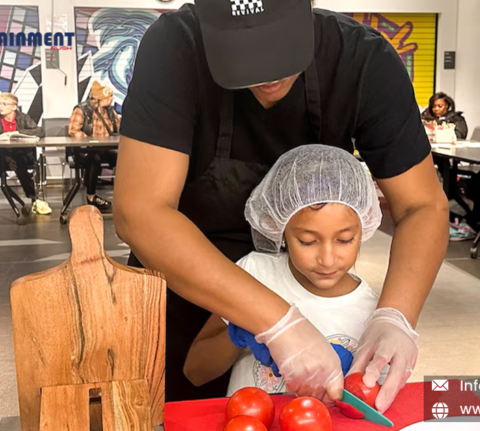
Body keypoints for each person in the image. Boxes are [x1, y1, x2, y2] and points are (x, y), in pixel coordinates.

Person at [114, 0, 449, 412]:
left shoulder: (362, 61)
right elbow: (139, 212)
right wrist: (278, 320)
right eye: (242, 53)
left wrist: (395, 316)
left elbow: (422, 206)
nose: (268, 75)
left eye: (279, 48)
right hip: (184, 285)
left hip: (304, 281)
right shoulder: (175, 48)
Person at [184, 145, 417, 397]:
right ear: (278, 227)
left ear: (365, 227)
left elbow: (377, 402)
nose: (327, 260)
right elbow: (195, 372)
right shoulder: (254, 275)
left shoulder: (372, 315)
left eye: (345, 239)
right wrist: (240, 333)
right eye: (307, 241)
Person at [68, 81, 119, 210]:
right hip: (86, 150)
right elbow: (73, 131)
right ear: (100, 99)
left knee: (125, 158)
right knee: (94, 158)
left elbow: (119, 128)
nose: (112, 99)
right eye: (109, 97)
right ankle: (91, 196)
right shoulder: (82, 110)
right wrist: (89, 140)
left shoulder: (110, 111)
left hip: (106, 149)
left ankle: (126, 195)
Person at [0, 92, 51, 215]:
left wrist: (18, 132)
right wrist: (7, 158)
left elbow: (40, 131)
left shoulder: (23, 118)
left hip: (21, 155)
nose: (0, 106)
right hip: (2, 155)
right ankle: (31, 197)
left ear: (14, 106)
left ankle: (33, 198)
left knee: (19, 162)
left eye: (4, 104)